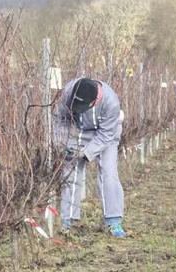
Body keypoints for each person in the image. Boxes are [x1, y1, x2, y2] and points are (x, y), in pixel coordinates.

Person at [54, 77, 126, 238]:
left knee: (109, 173)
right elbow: (61, 119)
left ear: (95, 101)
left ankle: (113, 221)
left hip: (107, 134)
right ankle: (68, 221)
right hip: (78, 130)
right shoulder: (68, 91)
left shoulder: (111, 102)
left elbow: (106, 134)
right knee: (70, 172)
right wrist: (62, 143)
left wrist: (86, 153)